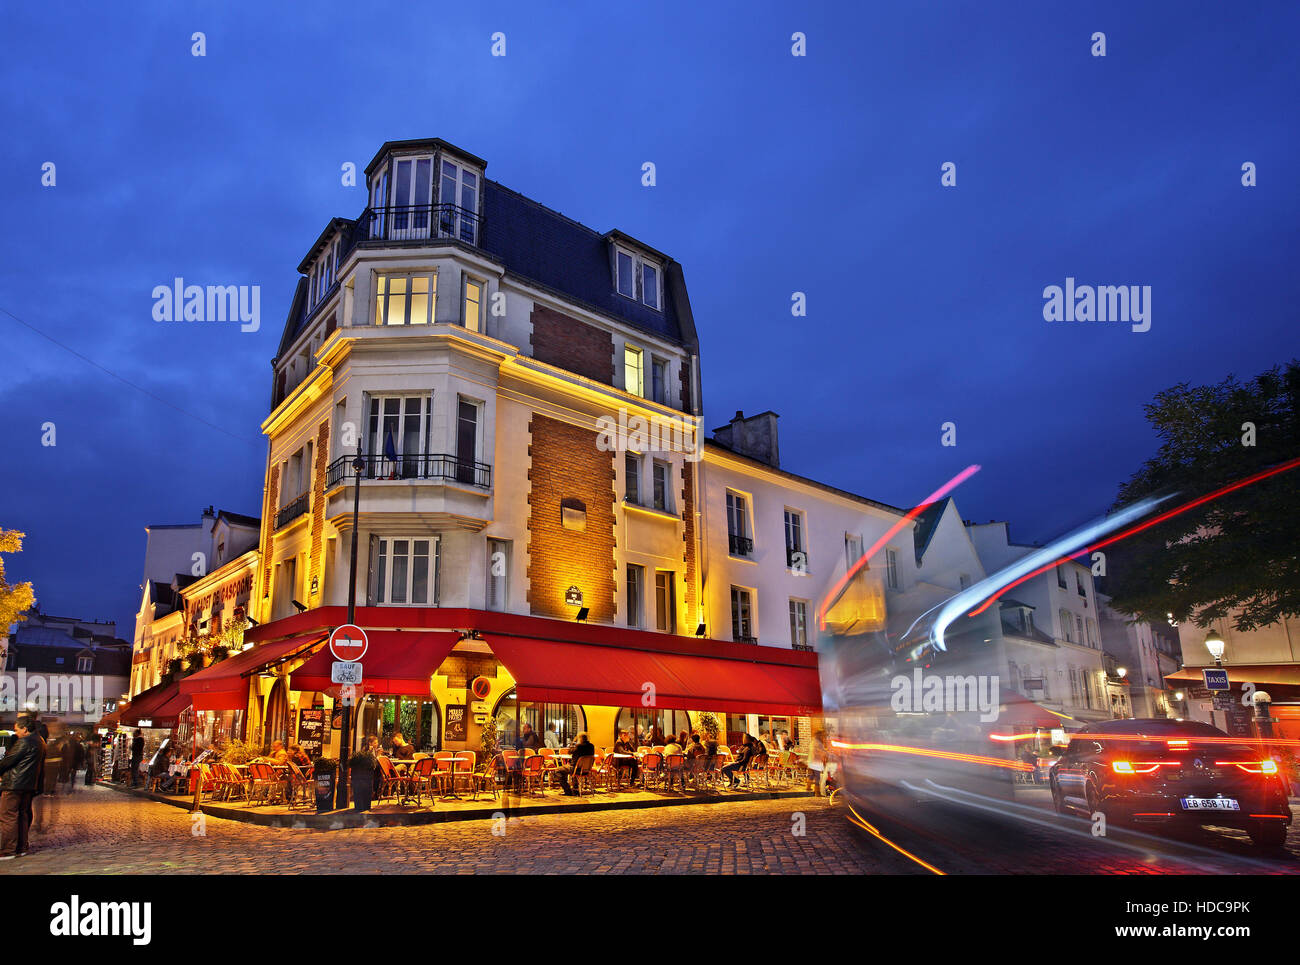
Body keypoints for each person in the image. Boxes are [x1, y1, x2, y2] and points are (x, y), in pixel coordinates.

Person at [0, 715, 46, 860]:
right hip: (28, 785)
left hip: (14, 784)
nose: (16, 733)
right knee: (22, 815)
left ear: (25, 729)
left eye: (17, 730)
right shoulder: (40, 741)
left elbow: (8, 761)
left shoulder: (25, 741)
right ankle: (21, 847)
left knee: (8, 816)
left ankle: (8, 850)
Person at [806, 730, 828, 796]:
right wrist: (825, 753)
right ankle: (817, 792)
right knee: (817, 777)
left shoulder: (813, 742)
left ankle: (808, 787)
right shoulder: (818, 743)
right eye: (821, 735)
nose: (822, 736)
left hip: (811, 761)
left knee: (812, 775)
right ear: (819, 735)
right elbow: (818, 751)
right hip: (816, 762)